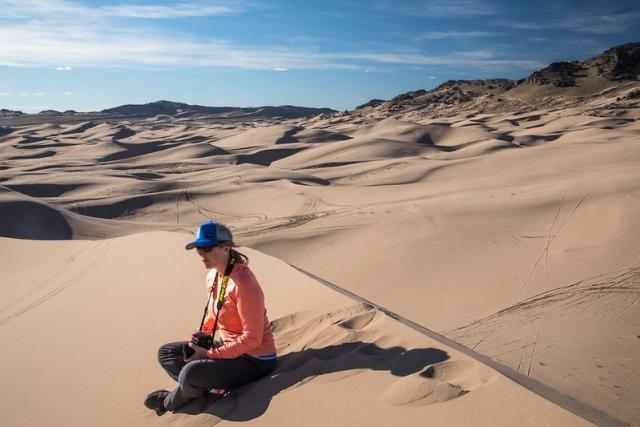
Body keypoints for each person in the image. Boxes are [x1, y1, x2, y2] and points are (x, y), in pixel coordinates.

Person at [144, 220, 277, 414]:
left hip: (255, 359)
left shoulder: (244, 284)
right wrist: (203, 335)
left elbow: (252, 338)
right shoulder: (213, 275)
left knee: (190, 373)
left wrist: (207, 355)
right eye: (199, 249)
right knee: (167, 353)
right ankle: (199, 388)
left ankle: (169, 401)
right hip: (227, 348)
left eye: (206, 248)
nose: (201, 254)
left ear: (225, 248)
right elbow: (215, 314)